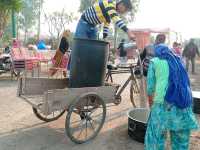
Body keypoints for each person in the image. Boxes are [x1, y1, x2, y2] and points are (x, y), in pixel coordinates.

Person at [145, 44, 198, 150]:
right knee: (181, 141)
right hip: (184, 104)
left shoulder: (154, 62)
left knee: (155, 138)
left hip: (163, 105)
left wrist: (152, 106)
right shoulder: (178, 60)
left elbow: (150, 89)